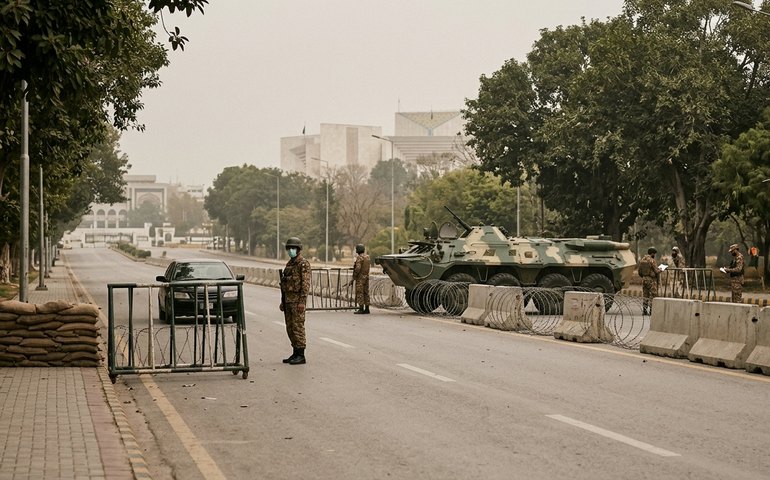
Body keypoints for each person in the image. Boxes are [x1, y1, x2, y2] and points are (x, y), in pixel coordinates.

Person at [279, 237, 311, 365]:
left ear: (298, 249)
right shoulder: (290, 264)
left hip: (297, 302)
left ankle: (301, 355)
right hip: (288, 301)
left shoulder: (303, 264)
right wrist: (282, 301)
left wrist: (302, 301)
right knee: (290, 328)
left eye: (293, 248)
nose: (290, 250)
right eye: (289, 248)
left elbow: (305, 284)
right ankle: (295, 352)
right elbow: (285, 285)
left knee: (298, 327)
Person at [638, 247, 660, 316]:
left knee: (645, 295)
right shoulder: (652, 260)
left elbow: (639, 271)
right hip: (651, 280)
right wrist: (661, 269)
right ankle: (651, 311)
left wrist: (644, 276)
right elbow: (656, 271)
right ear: (652, 253)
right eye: (654, 254)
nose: (655, 255)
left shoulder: (642, 260)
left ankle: (644, 310)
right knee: (653, 295)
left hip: (644, 279)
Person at [353, 244, 370, 314]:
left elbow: (358, 268)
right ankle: (367, 309)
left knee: (360, 292)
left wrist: (354, 276)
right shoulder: (367, 257)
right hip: (366, 277)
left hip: (360, 278)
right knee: (366, 292)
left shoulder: (359, 258)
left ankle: (361, 308)